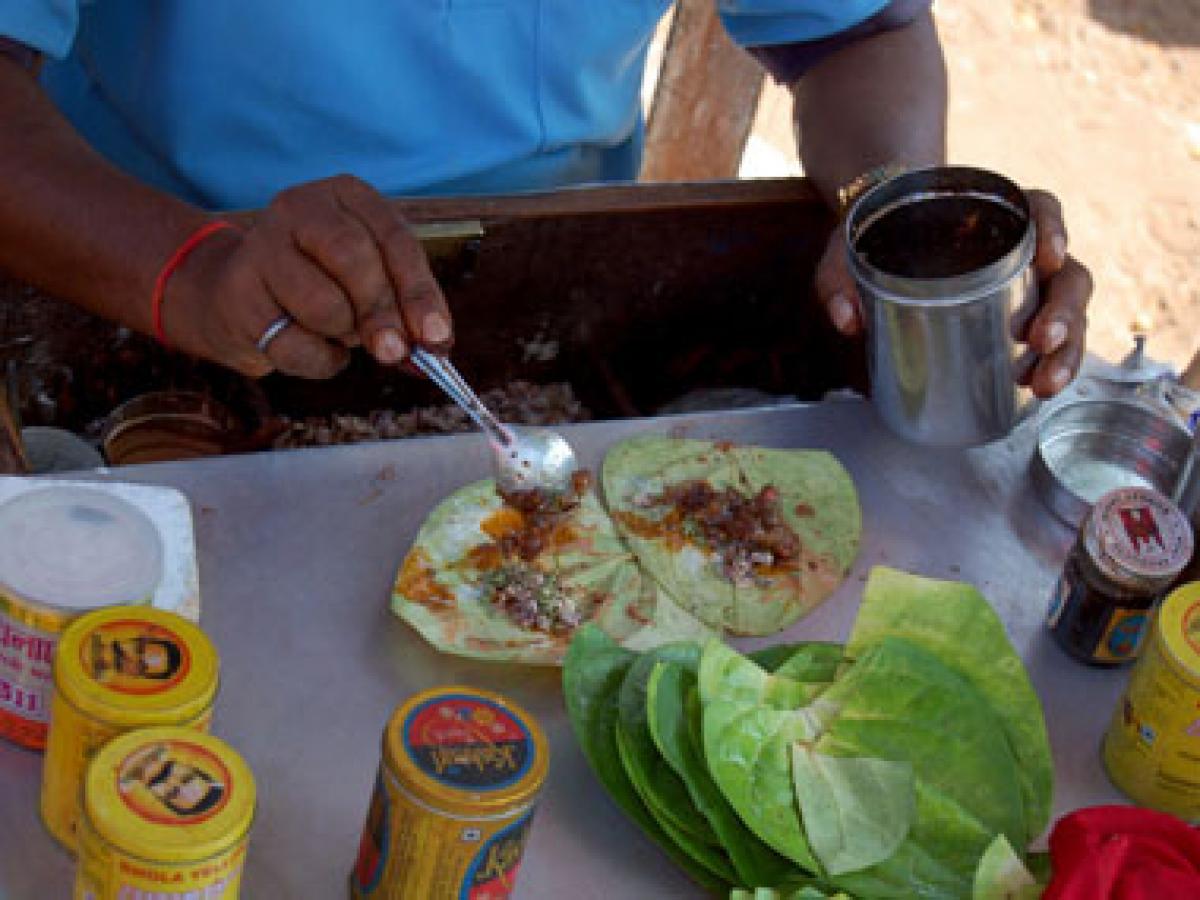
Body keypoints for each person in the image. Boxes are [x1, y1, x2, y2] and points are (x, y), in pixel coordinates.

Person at [0, 1, 1090, 399]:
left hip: (535, 313)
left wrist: (891, 211)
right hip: (132, 285)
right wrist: (194, 271)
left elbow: (859, 28)